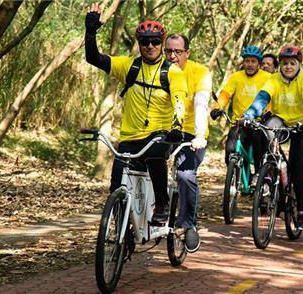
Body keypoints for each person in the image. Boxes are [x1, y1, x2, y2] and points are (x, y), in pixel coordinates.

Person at [84, 4, 187, 225]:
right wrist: (90, 32)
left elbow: (179, 101)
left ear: (162, 42)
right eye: (144, 42)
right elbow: (94, 58)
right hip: (130, 138)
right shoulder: (128, 66)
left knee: (156, 154)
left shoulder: (173, 73)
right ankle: (123, 231)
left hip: (158, 134)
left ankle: (162, 203)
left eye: (155, 41)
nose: (150, 46)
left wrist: (177, 128)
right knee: (116, 185)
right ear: (139, 43)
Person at [243, 45, 303, 230]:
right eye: (285, 64)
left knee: (299, 166)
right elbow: (262, 98)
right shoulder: (274, 79)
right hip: (282, 121)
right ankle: (270, 173)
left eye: (292, 63)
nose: (288, 67)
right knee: (265, 130)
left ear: (298, 64)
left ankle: (301, 211)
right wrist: (249, 115)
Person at [164, 33, 212, 252]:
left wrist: (200, 135)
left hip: (192, 134)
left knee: (185, 175)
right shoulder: (158, 69)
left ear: (187, 53)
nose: (172, 56)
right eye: (168, 51)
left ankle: (187, 224)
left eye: (177, 51)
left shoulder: (200, 72)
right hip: (164, 130)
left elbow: (201, 104)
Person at [210, 45, 270, 178]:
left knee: (258, 143)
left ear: (259, 64)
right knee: (230, 149)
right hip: (239, 122)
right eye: (247, 61)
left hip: (258, 123)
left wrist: (268, 113)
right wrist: (217, 107)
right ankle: (235, 177)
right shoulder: (236, 77)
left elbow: (271, 98)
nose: (249, 64)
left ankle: (258, 174)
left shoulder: (267, 77)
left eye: (253, 61)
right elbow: (225, 95)